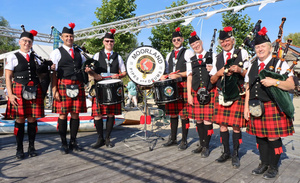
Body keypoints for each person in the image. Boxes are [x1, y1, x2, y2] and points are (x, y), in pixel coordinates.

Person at [244, 27, 294, 179]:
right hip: (255, 106)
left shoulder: (279, 63)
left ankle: (273, 166)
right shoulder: (252, 64)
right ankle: (264, 163)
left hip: (272, 106)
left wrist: (275, 82)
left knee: (272, 137)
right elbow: (248, 88)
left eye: (263, 46)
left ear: (270, 48)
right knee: (260, 136)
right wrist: (246, 107)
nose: (260, 49)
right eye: (257, 47)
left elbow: (291, 85)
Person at [210, 26, 249, 168]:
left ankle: (235, 154)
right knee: (223, 126)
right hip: (221, 94)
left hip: (237, 93)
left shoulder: (242, 52)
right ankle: (226, 152)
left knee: (237, 127)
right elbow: (212, 80)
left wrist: (240, 70)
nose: (225, 43)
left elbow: (249, 75)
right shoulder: (217, 57)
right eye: (222, 42)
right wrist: (219, 73)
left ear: (232, 41)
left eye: (227, 40)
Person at [5, 29, 44, 159]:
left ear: (32, 43)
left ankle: (32, 147)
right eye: (25, 41)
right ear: (20, 42)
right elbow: (8, 76)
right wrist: (10, 94)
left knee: (32, 119)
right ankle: (19, 148)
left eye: (30, 41)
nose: (27, 43)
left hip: (34, 90)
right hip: (18, 90)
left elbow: (41, 73)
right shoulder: (12, 56)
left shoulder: (35, 57)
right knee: (20, 119)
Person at [85, 29, 126, 148]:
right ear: (103, 42)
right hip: (99, 87)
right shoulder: (97, 55)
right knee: (97, 115)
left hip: (113, 87)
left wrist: (118, 75)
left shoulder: (118, 56)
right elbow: (90, 70)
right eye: (107, 41)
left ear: (114, 42)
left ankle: (108, 138)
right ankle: (100, 138)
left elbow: (124, 72)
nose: (109, 43)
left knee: (110, 114)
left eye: (111, 41)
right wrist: (91, 73)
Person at [50, 23, 87, 154]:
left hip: (77, 85)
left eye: (71, 36)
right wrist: (54, 90)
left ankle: (73, 141)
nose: (69, 38)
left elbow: (85, 68)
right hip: (63, 85)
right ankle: (63, 143)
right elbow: (53, 73)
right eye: (66, 36)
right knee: (63, 114)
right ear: (62, 37)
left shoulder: (79, 53)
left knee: (75, 114)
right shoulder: (56, 52)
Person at [161, 27, 194, 150]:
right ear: (172, 41)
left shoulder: (188, 53)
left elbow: (191, 72)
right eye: (174, 40)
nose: (176, 41)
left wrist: (179, 75)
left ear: (182, 40)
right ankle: (173, 138)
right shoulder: (168, 55)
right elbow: (167, 71)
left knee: (184, 115)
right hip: (171, 87)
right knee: (173, 114)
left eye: (178, 39)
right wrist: (165, 75)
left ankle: (184, 140)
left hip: (183, 85)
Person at [187, 31, 216, 157]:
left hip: (209, 91)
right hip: (195, 91)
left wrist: (212, 70)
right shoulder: (191, 59)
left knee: (207, 120)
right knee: (198, 120)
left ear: (201, 42)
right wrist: (189, 94)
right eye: (193, 44)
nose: (195, 46)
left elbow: (217, 73)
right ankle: (201, 143)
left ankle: (206, 146)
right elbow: (189, 77)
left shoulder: (212, 55)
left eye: (197, 43)